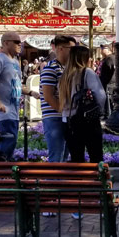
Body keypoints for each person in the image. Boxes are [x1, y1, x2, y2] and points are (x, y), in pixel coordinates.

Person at [0, 32, 40, 159]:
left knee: (11, 140)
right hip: (4, 110)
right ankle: (1, 170)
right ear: (5, 43)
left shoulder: (15, 62)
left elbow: (16, 84)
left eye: (20, 42)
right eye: (16, 42)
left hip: (13, 109)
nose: (19, 44)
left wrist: (31, 92)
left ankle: (2, 169)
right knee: (9, 139)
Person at [59, 45, 106, 163]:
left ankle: (80, 181)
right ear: (84, 58)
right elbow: (100, 95)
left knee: (76, 159)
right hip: (87, 120)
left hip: (69, 122)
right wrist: (98, 110)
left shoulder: (64, 75)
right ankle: (95, 181)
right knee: (96, 157)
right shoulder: (87, 72)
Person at [39, 34, 77, 162]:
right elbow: (48, 96)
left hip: (65, 117)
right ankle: (53, 181)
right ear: (60, 49)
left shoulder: (68, 68)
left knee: (64, 157)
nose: (74, 52)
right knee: (57, 156)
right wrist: (63, 111)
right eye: (71, 49)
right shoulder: (50, 68)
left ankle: (60, 181)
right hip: (54, 117)